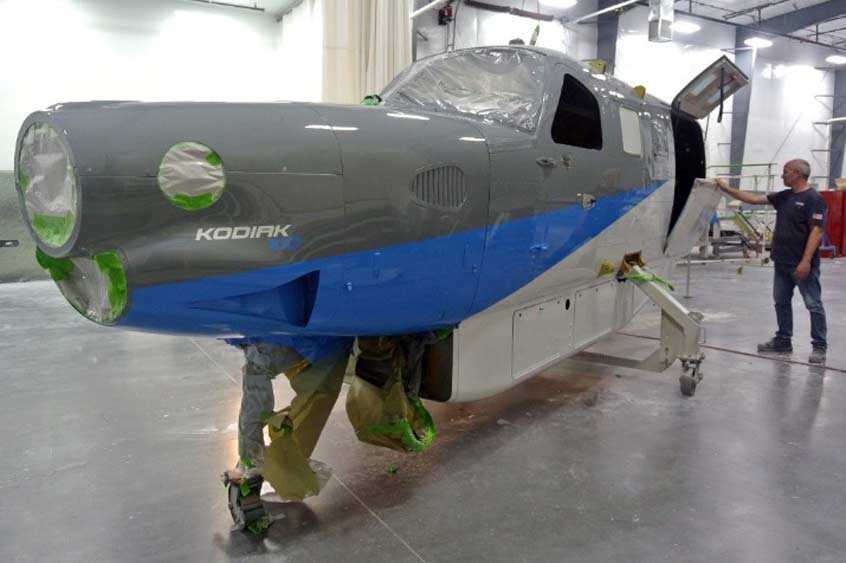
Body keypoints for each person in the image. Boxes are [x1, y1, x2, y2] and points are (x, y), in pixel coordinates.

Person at [715, 159, 828, 364]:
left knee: (813, 305)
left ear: (797, 174)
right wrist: (725, 188)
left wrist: (805, 262)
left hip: (801, 264)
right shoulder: (785, 196)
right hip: (782, 262)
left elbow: (816, 231)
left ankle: (819, 346)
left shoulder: (813, 199)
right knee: (781, 302)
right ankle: (783, 340)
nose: (782, 176)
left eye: (786, 172)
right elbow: (753, 199)